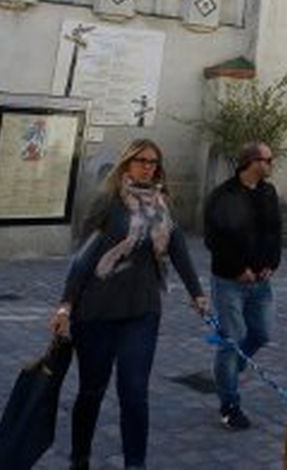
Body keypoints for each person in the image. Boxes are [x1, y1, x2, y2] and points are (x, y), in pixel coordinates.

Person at [49, 139, 208, 470]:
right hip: (97, 312)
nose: (148, 166)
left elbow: (178, 249)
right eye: (141, 160)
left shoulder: (162, 206)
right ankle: (80, 458)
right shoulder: (107, 203)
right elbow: (82, 258)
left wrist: (197, 293)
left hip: (143, 311)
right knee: (92, 390)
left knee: (135, 393)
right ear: (126, 164)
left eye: (154, 162)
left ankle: (135, 464)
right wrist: (65, 305)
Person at [204, 141, 283, 430]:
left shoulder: (268, 192)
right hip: (229, 283)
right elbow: (214, 239)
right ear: (251, 162)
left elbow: (275, 232)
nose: (271, 164)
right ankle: (230, 405)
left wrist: (270, 264)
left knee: (261, 334)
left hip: (262, 282)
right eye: (268, 159)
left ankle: (228, 371)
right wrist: (238, 269)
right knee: (232, 340)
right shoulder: (223, 195)